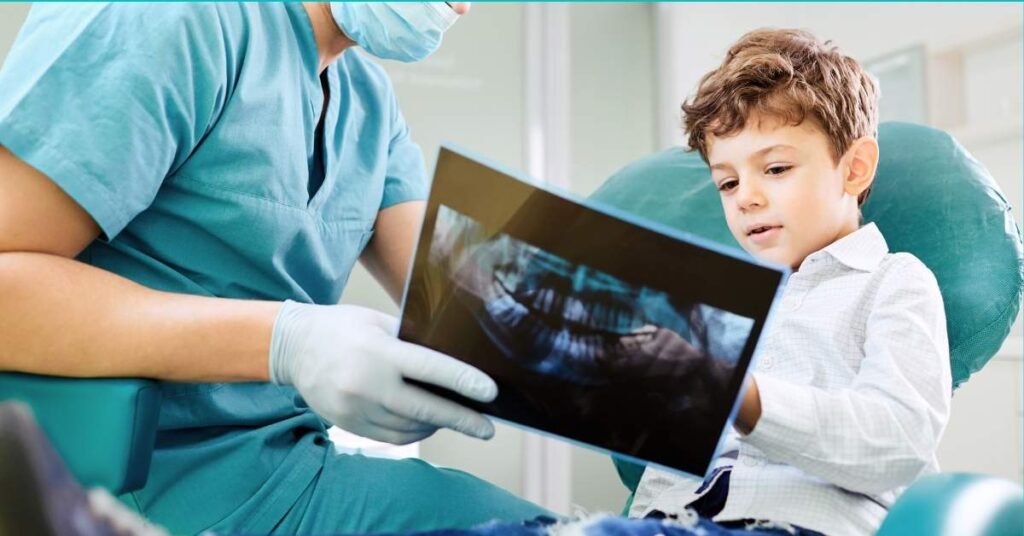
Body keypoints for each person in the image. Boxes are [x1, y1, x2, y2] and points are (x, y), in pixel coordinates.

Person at [0, 2, 549, 534]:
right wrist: (286, 341)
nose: (460, 9)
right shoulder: (164, 17)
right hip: (119, 485)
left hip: (285, 474)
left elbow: (479, 305)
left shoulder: (368, 101)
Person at [627, 29, 952, 536]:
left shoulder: (894, 282)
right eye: (728, 182)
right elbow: (663, 475)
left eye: (775, 168)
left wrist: (743, 396)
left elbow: (900, 442)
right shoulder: (719, 304)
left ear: (855, 168)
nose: (745, 198)